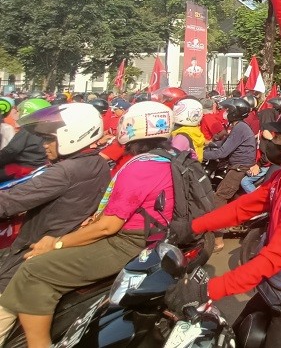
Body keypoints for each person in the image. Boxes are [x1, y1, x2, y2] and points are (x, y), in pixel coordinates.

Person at [0, 101, 176, 348]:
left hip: (126, 241)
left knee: (34, 270)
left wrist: (58, 244)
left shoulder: (138, 167)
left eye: (49, 139)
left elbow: (108, 226)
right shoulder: (145, 160)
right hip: (144, 237)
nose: (44, 144)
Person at [167, 111, 281, 348]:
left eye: (278, 137)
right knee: (239, 332)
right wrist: (191, 227)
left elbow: (274, 258)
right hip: (279, 281)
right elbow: (241, 209)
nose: (270, 142)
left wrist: (208, 290)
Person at [0, 103, 109, 344]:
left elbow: (10, 202)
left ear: (71, 137)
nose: (43, 145)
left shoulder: (63, 172)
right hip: (60, 246)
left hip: (33, 252)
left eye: (49, 139)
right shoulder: (98, 163)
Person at [203, 98, 256, 252]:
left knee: (219, 197)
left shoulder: (240, 128)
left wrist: (200, 154)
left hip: (240, 167)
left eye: (227, 110)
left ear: (234, 112)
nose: (224, 113)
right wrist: (208, 145)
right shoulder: (238, 126)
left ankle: (218, 240)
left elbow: (223, 152)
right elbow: (222, 145)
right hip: (236, 164)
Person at [0, 99, 50, 182]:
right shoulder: (47, 127)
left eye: (19, 112)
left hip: (23, 167)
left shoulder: (29, 129)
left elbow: (11, 150)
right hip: (38, 165)